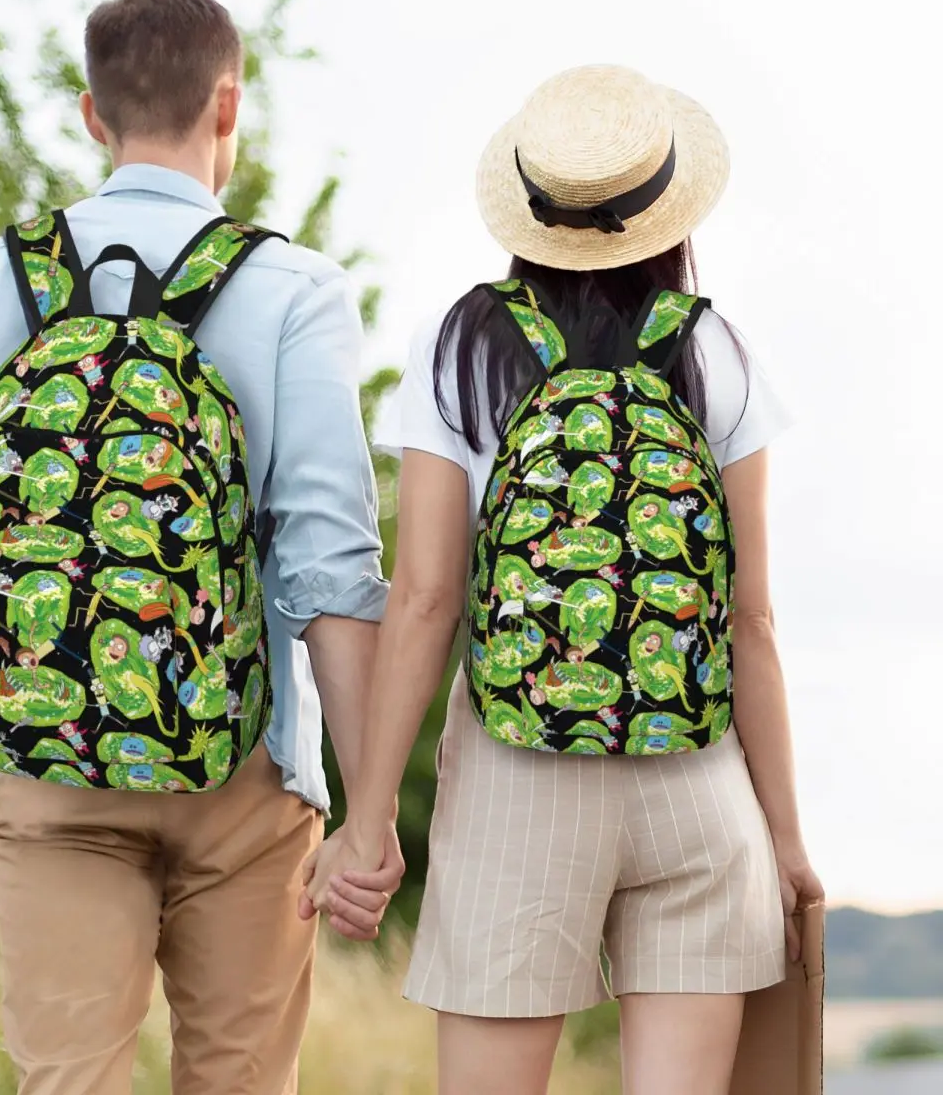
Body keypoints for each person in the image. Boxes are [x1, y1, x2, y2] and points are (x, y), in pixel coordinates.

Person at [0, 0, 403, 1095]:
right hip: (245, 770)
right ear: (228, 108)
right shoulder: (293, 290)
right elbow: (331, 574)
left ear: (93, 115)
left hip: (43, 768)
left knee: (69, 1081)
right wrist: (370, 809)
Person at [303, 64, 824, 1095]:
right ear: (668, 212)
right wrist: (786, 839)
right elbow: (751, 619)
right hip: (698, 782)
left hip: (516, 779)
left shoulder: (462, 345)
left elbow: (425, 600)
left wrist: (367, 821)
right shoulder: (717, 350)